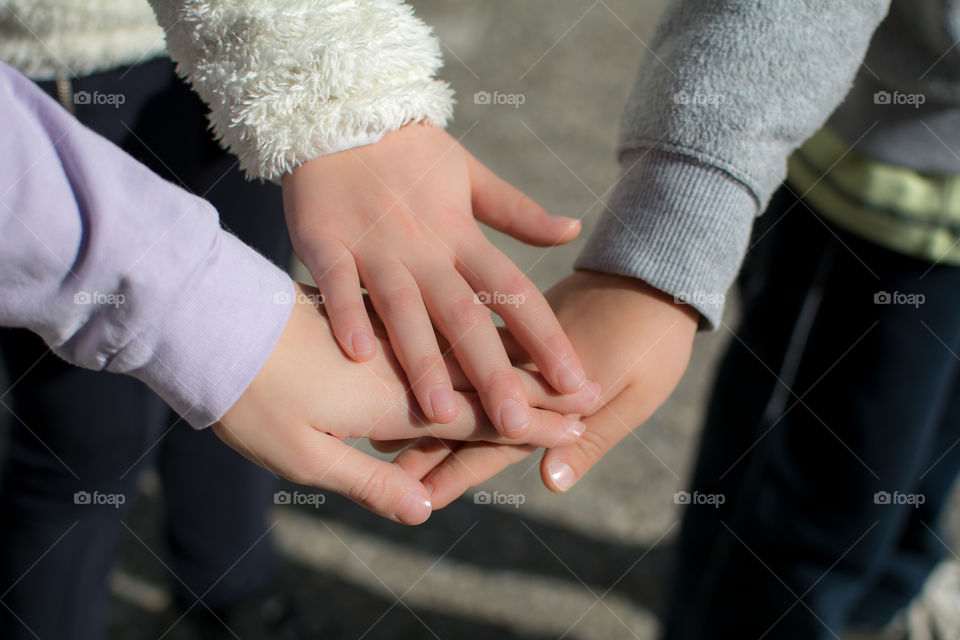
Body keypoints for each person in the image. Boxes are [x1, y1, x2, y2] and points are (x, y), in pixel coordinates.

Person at [0, 1, 598, 637]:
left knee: (259, 394)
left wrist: (336, 87)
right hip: (55, 61)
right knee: (90, 442)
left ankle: (235, 596)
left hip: (235, 54)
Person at [391, 2, 960, 638]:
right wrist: (663, 252)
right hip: (878, 198)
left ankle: (892, 587)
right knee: (805, 504)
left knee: (925, 450)